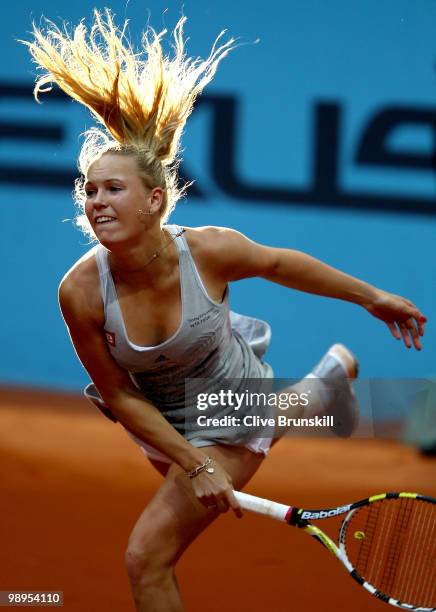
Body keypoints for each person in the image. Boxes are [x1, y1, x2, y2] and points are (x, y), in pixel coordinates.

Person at [25, 11, 427, 611]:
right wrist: (190, 462)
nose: (96, 202)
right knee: (282, 411)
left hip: (228, 407)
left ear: (155, 200)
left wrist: (372, 296)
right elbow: (118, 392)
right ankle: (330, 380)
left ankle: (317, 389)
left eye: (113, 189)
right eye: (89, 189)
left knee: (145, 557)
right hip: (161, 421)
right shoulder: (79, 290)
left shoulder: (208, 249)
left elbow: (282, 264)